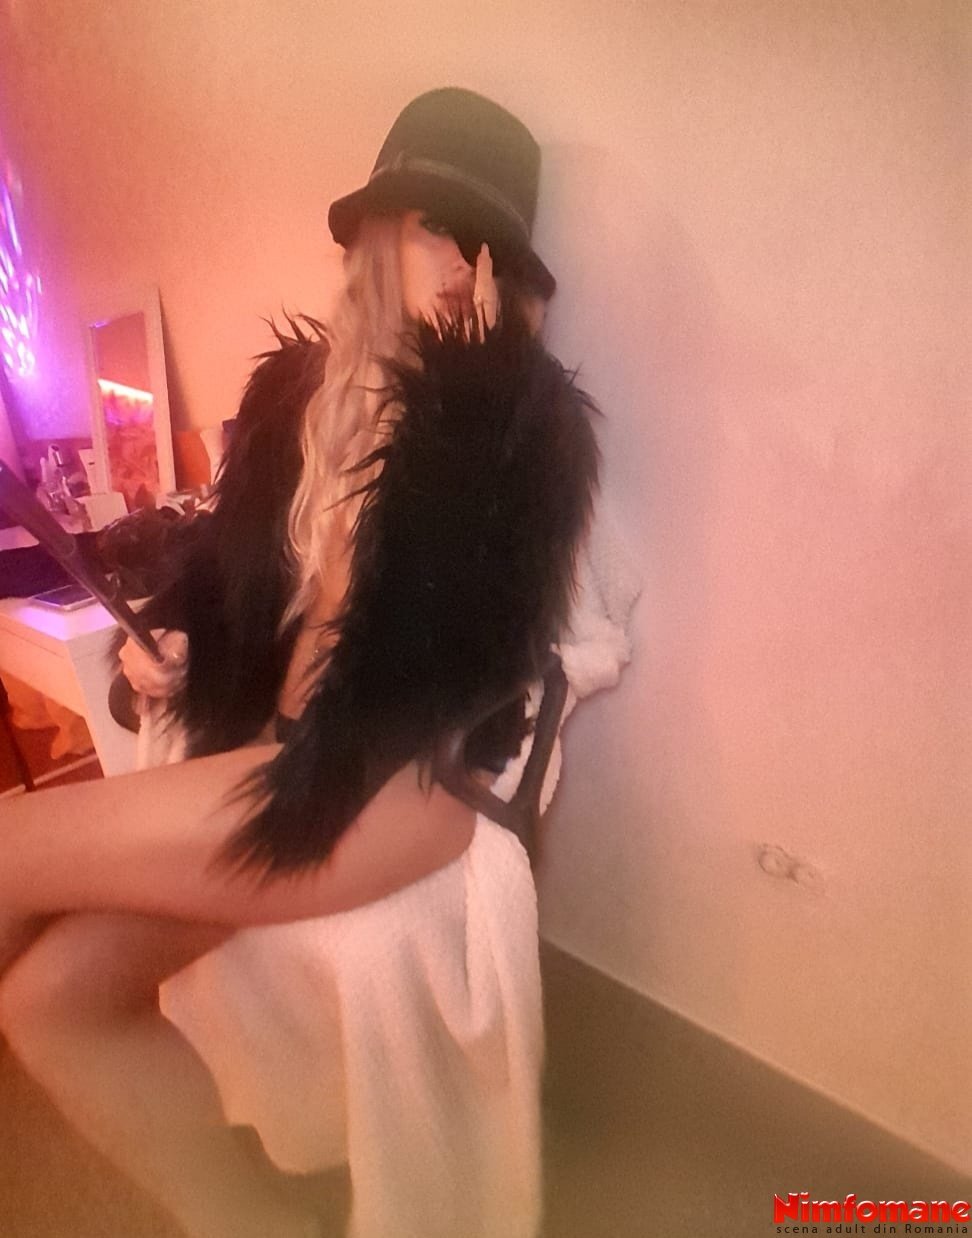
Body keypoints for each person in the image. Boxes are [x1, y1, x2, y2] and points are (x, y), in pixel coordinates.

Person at [0, 88, 600, 1238]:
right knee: (52, 998)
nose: (448, 262)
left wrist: (469, 401)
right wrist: (182, 648)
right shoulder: (299, 405)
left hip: (397, 783)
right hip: (275, 753)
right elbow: (241, 596)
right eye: (428, 224)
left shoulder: (522, 433)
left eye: (476, 242)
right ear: (373, 237)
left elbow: (457, 650)